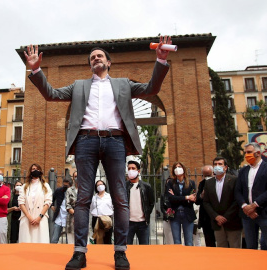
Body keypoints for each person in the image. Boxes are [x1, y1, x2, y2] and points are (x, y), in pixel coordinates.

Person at [25, 35, 172, 270]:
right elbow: (50, 94)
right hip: (86, 141)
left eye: (100, 55)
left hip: (115, 141)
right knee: (83, 198)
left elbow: (151, 88)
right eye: (92, 57)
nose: (96, 58)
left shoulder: (123, 84)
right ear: (90, 64)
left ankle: (120, 252)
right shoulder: (79, 86)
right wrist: (36, 70)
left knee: (120, 198)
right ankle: (80, 253)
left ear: (108, 62)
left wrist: (161, 61)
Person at [235, 142, 267, 251]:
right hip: (247, 214)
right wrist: (245, 206)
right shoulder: (243, 171)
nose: (246, 155)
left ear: (258, 153)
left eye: (249, 152)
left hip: (266, 213)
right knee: (251, 247)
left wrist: (255, 205)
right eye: (245, 152)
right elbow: (237, 191)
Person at [202, 157, 242, 248]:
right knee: (221, 249)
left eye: (220, 164)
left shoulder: (234, 180)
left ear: (225, 167)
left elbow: (237, 200)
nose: (217, 166)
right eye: (215, 164)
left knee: (235, 249)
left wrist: (226, 217)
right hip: (217, 223)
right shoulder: (209, 183)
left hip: (232, 222)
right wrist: (216, 216)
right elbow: (206, 202)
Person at [18, 164, 52, 243]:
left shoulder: (46, 186)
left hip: (41, 218)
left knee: (41, 242)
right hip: (27, 218)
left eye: (37, 169)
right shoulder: (24, 187)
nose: (35, 170)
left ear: (40, 172)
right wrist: (29, 217)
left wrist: (39, 217)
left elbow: (48, 202)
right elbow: (21, 202)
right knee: (26, 243)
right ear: (30, 171)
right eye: (33, 169)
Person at [166, 162, 197, 246]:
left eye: (179, 167)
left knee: (189, 242)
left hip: (188, 213)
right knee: (177, 242)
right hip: (175, 214)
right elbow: (170, 199)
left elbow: (193, 198)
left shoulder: (191, 183)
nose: (177, 168)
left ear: (183, 168)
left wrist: (176, 197)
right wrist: (186, 197)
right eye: (175, 167)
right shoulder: (170, 183)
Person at [125, 160, 154, 245]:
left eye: (133, 168)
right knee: (127, 248)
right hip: (128, 223)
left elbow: (151, 203)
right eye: (129, 168)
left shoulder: (146, 186)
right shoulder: (124, 186)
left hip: (143, 223)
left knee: (144, 249)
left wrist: (146, 214)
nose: (130, 170)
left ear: (138, 171)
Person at [195, 165, 216, 247]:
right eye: (205, 175)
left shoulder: (217, 182)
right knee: (209, 241)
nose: (207, 177)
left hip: (217, 216)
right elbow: (197, 201)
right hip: (206, 218)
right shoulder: (202, 184)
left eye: (209, 175)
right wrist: (201, 195)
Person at [90, 180, 113, 244]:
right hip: (96, 219)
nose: (100, 186)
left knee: (107, 239)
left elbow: (113, 207)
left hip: (107, 219)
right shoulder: (94, 198)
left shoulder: (109, 196)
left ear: (104, 186)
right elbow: (91, 208)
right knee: (97, 239)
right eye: (98, 185)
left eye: (101, 184)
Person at [51, 178, 72, 243]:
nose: (65, 187)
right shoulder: (59, 191)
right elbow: (52, 198)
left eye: (67, 186)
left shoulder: (73, 192)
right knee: (55, 238)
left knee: (69, 239)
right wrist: (52, 205)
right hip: (59, 217)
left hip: (70, 217)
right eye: (64, 185)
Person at [65, 174, 78, 244]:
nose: (77, 178)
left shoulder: (85, 189)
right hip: (71, 217)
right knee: (71, 240)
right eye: (75, 176)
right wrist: (75, 214)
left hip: (83, 217)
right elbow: (67, 205)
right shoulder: (69, 190)